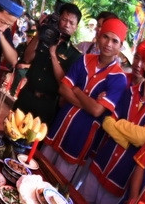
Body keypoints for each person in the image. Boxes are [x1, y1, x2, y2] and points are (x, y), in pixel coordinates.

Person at [83, 40, 145, 204]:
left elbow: (142, 139)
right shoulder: (128, 91)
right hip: (100, 163)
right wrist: (130, 140)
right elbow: (107, 123)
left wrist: (121, 128)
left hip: (121, 179)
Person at [41, 17, 129, 181]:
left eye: (115, 41)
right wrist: (90, 101)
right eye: (105, 37)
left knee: (57, 184)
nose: (108, 44)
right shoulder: (83, 59)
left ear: (120, 46)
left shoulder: (118, 78)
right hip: (59, 127)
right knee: (38, 170)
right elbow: (62, 88)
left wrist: (76, 90)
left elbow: (96, 111)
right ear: (98, 36)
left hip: (80, 138)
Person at [13, 3, 83, 126]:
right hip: (27, 94)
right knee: (11, 131)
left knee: (33, 142)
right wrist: (40, 33)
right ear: (59, 19)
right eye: (64, 20)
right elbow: (27, 58)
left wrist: (53, 53)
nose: (67, 25)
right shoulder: (43, 38)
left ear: (76, 27)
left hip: (46, 104)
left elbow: (63, 81)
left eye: (71, 23)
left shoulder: (75, 54)